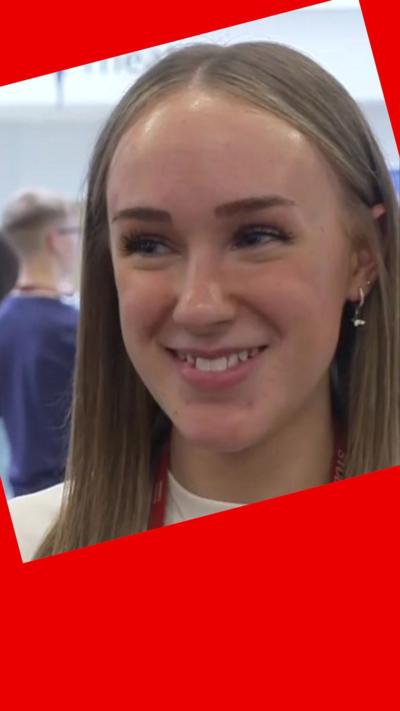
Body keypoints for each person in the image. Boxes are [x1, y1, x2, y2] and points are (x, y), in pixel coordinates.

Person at [8, 42, 400, 562]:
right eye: (148, 245)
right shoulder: (26, 542)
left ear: (361, 258)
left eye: (256, 236)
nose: (198, 306)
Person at [0, 189, 80, 501]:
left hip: (22, 499)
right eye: (74, 233)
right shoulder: (75, 328)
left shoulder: (3, 323)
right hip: (78, 496)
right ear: (55, 240)